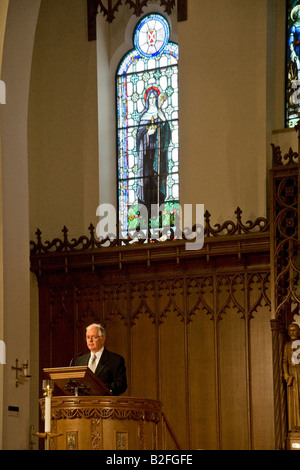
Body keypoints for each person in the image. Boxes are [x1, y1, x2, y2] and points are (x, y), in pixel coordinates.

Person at [136, 87, 171, 214]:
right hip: (145, 156)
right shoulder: (143, 116)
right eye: (150, 98)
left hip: (158, 155)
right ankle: (145, 212)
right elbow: (138, 137)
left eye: (154, 98)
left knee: (158, 182)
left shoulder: (160, 114)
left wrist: (163, 121)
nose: (152, 101)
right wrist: (147, 134)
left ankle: (160, 211)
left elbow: (167, 135)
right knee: (146, 182)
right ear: (146, 100)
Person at [75, 323, 127, 396]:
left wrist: (100, 388)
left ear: (102, 339)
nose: (90, 340)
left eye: (94, 337)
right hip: (84, 404)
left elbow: (121, 385)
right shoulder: (80, 360)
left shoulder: (115, 360)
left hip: (106, 404)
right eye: (88, 337)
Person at [283, 322, 300, 432]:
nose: (292, 333)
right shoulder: (287, 345)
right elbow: (284, 360)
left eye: (294, 330)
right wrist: (285, 373)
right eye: (290, 331)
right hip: (292, 374)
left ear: (298, 332)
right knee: (293, 400)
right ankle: (294, 426)